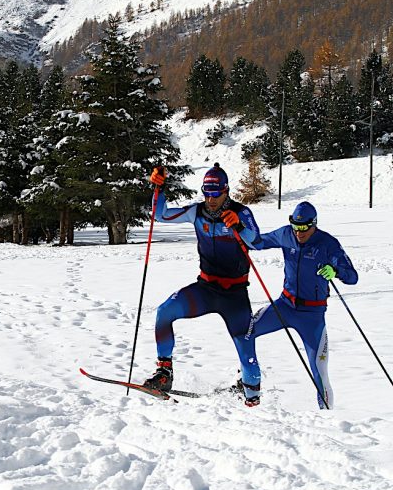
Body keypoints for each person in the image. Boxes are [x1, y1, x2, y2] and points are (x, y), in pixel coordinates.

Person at [143, 163, 263, 406]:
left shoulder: (242, 212)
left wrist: (238, 226)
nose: (210, 199)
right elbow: (161, 215)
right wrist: (159, 188)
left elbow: (257, 242)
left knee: (246, 350)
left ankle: (252, 396)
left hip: (235, 295)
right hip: (206, 289)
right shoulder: (197, 212)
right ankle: (164, 373)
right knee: (164, 312)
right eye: (207, 194)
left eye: (215, 194)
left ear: (226, 191)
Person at [246, 201, 358, 409]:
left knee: (319, 371)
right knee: (246, 330)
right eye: (296, 227)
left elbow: (352, 277)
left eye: (304, 228)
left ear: (313, 224)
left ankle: (327, 419)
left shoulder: (327, 244)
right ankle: (248, 380)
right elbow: (257, 243)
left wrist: (335, 271)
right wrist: (239, 231)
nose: (299, 233)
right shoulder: (286, 234)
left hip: (312, 316)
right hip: (285, 306)